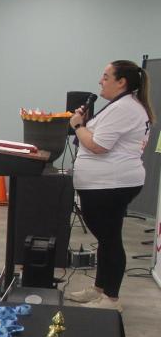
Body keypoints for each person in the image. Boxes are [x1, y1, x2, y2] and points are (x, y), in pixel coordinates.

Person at [66, 60, 154, 311]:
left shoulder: (125, 108)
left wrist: (78, 126)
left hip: (110, 185)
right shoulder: (120, 106)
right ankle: (99, 290)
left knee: (110, 239)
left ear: (121, 82)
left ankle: (111, 299)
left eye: (105, 77)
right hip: (104, 184)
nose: (100, 81)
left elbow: (98, 146)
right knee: (106, 239)